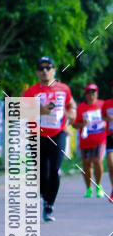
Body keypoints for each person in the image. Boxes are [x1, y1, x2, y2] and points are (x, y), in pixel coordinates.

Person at [23, 56, 76, 222]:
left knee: (55, 169)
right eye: (41, 68)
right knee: (41, 172)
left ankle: (49, 204)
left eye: (48, 67)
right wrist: (40, 110)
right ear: (37, 72)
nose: (45, 71)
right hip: (36, 134)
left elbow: (71, 103)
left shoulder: (64, 89)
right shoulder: (31, 92)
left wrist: (73, 111)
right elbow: (21, 112)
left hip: (58, 133)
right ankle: (43, 194)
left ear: (54, 70)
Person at [74, 84, 106, 198]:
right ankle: (89, 188)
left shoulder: (102, 105)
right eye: (89, 92)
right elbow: (75, 124)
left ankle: (99, 186)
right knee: (86, 165)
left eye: (93, 92)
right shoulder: (81, 107)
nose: (91, 94)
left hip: (100, 139)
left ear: (97, 93)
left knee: (97, 161)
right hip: (85, 141)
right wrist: (83, 124)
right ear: (85, 94)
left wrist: (105, 125)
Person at [101, 82, 113, 202]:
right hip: (111, 136)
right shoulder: (107, 103)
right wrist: (107, 119)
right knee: (111, 164)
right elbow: (102, 117)